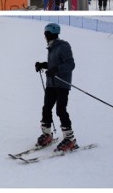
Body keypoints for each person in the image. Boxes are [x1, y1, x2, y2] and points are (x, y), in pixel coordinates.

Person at [34, 23, 77, 152]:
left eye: (45, 34)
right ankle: (47, 134)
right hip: (51, 84)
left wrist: (56, 69)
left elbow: (70, 64)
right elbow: (54, 64)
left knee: (60, 110)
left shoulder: (63, 46)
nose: (44, 36)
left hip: (62, 84)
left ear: (50, 34)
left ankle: (69, 139)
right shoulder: (52, 47)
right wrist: (43, 65)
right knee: (46, 108)